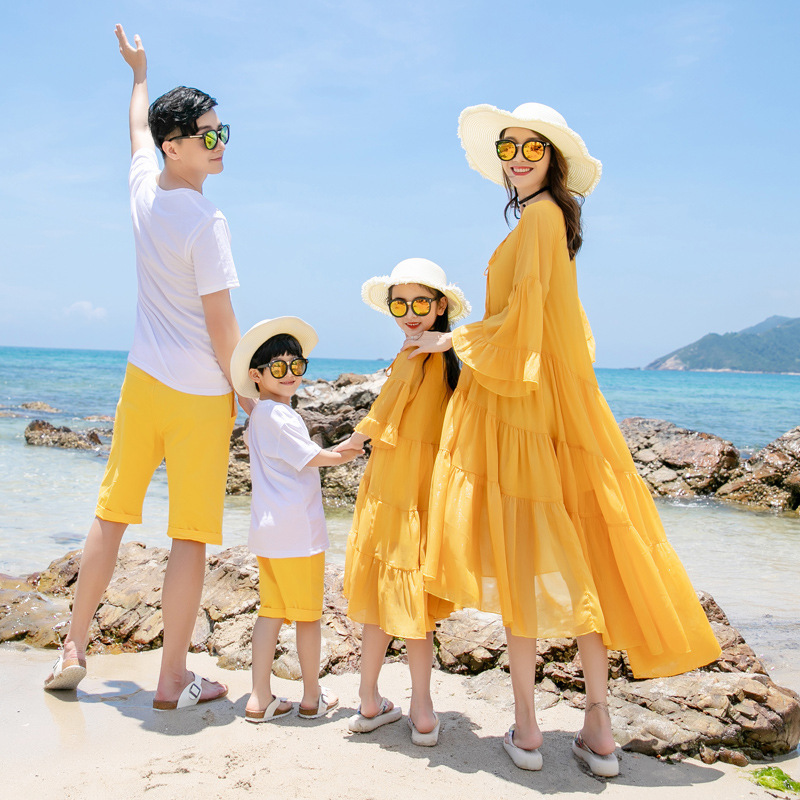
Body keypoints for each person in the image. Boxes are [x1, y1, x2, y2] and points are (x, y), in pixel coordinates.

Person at [410, 103, 722, 776]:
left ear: (553, 159)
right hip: (549, 400)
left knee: (530, 558)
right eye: (509, 145)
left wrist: (448, 338)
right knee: (575, 555)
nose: (518, 157)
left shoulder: (543, 218)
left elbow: (522, 318)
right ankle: (596, 729)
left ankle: (529, 730)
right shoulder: (541, 219)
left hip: (530, 407)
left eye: (532, 147)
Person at [44, 25, 250, 710]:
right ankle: (171, 678)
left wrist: (138, 72)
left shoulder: (144, 192)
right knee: (189, 535)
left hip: (141, 384)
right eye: (210, 134)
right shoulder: (206, 222)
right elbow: (223, 327)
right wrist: (251, 394)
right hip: (197, 398)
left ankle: (73, 645)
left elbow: (134, 128)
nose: (220, 144)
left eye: (224, 132)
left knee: (112, 514)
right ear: (178, 143)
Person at [335, 259, 470, 746]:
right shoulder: (447, 358)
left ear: (440, 306)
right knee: (413, 602)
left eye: (419, 303)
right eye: (399, 304)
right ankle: (422, 710)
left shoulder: (420, 355)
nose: (409, 314)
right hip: (421, 489)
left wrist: (343, 448)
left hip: (395, 488)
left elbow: (381, 413)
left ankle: (371, 700)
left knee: (381, 597)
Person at [230, 317, 364, 722]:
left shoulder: (258, 417)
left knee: (270, 612)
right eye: (278, 367)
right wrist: (350, 448)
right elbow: (312, 457)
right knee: (308, 617)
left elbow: (256, 411)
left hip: (268, 535)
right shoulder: (280, 417)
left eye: (296, 366)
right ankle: (310, 697)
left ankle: (259, 697)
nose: (290, 375)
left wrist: (249, 397)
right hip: (297, 535)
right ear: (258, 374)